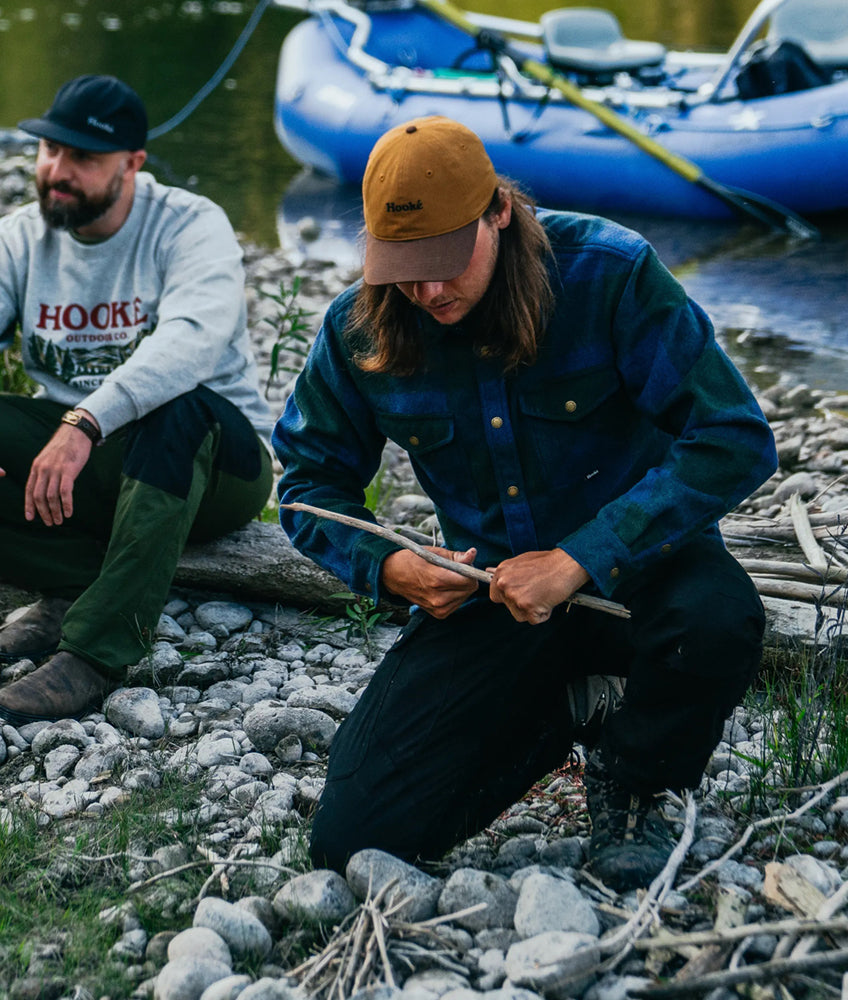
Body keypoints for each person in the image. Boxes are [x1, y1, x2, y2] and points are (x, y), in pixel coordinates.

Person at [272, 116, 778, 891]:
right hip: (492, 598)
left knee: (719, 620)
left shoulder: (611, 274)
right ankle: (569, 713)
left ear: (499, 214)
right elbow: (306, 487)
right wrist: (392, 567)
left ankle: (635, 774)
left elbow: (734, 438)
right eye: (404, 266)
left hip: (640, 577)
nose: (428, 289)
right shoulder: (359, 325)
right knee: (355, 835)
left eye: (444, 259)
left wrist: (581, 558)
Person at [0, 75, 273, 724]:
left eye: (83, 159)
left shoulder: (189, 225)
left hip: (217, 463)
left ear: (132, 163)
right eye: (49, 152)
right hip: (89, 468)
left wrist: (86, 419)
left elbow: (192, 344)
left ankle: (93, 657)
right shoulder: (19, 238)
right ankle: (73, 588)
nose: (57, 172)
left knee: (175, 405)